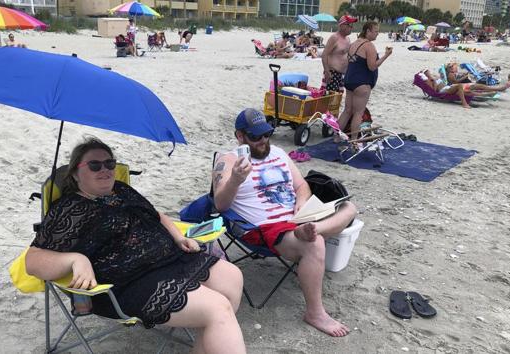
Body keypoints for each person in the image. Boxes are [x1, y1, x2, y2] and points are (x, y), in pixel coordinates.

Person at [26, 137, 246, 354]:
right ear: (75, 173)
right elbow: (33, 260)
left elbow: (155, 215)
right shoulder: (70, 208)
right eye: (95, 165)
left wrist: (178, 237)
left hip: (172, 258)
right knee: (218, 309)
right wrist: (76, 259)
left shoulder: (121, 189)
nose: (105, 170)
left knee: (232, 276)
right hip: (131, 282)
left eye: (109, 163)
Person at [212, 109, 357, 337]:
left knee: (349, 208)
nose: (263, 141)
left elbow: (301, 186)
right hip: (264, 228)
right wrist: (235, 180)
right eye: (255, 137)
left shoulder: (278, 152)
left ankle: (314, 229)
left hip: (298, 218)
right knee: (314, 244)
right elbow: (220, 204)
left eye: (266, 135)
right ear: (239, 136)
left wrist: (301, 203)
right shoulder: (228, 161)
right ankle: (315, 313)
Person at [337, 22, 392, 140]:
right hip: (361, 82)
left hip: (349, 80)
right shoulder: (369, 46)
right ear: (368, 31)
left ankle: (336, 138)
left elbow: (351, 62)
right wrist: (386, 56)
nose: (378, 34)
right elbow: (372, 66)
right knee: (358, 113)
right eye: (376, 31)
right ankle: (354, 141)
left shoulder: (354, 43)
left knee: (347, 111)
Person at [321, 15, 358, 93]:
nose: (351, 28)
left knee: (338, 99)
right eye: (349, 25)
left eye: (352, 26)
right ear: (342, 25)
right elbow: (324, 55)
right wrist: (327, 71)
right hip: (332, 73)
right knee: (330, 99)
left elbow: (347, 55)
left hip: (341, 75)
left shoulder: (348, 39)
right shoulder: (334, 38)